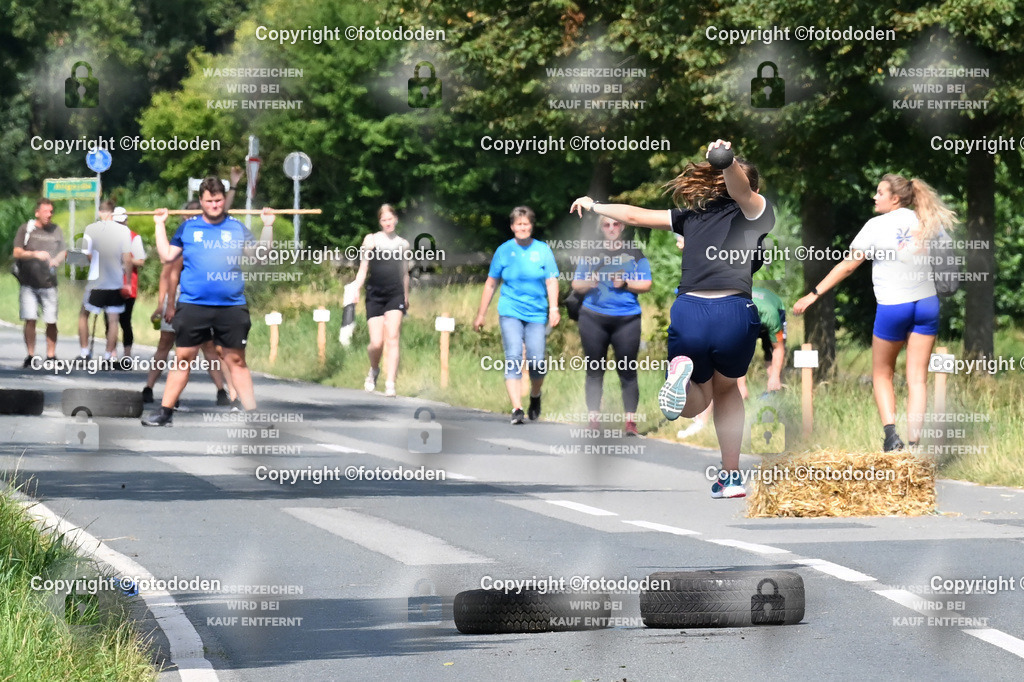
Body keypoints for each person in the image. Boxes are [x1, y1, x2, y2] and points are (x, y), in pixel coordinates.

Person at [571, 140, 775, 498]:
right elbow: (740, 189)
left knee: (693, 400)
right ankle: (731, 477)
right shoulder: (756, 211)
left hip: (689, 310)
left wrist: (594, 205)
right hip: (733, 311)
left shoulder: (692, 217)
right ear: (753, 187)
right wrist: (725, 161)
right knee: (727, 389)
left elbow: (635, 215)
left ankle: (680, 382)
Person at [793, 173, 957, 452]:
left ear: (895, 198)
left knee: (882, 374)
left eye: (880, 193)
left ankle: (892, 438)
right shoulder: (928, 220)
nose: (874, 197)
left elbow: (848, 265)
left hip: (894, 305)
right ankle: (915, 446)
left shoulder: (876, 225)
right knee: (917, 378)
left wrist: (814, 294)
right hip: (927, 305)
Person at [142, 177, 274, 426]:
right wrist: (159, 224)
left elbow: (260, 258)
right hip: (193, 305)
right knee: (183, 358)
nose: (214, 205)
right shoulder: (188, 228)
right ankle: (165, 412)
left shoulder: (236, 228)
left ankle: (253, 415)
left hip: (231, 306)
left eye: (219, 200)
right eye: (209, 201)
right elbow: (166, 256)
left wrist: (268, 227)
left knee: (236, 361)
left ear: (225, 200)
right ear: (201, 202)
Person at [142, 201, 234, 407]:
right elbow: (169, 276)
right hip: (182, 300)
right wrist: (166, 305)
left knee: (207, 348)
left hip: (199, 300)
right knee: (169, 345)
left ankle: (221, 391)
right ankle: (149, 388)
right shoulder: (186, 240)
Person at [474, 206, 560, 424]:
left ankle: (535, 395)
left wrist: (554, 308)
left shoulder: (542, 250)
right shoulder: (503, 251)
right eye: (518, 224)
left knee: (537, 361)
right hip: (510, 310)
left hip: (536, 313)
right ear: (512, 227)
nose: (523, 227)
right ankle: (517, 408)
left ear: (531, 226)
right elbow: (491, 283)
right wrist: (481, 314)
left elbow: (551, 280)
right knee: (513, 355)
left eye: (526, 223)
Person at [571, 215, 651, 436]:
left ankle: (630, 423)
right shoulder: (591, 252)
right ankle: (594, 420)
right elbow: (576, 283)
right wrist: (590, 282)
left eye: (616, 224)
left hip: (626, 318)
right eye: (607, 224)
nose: (612, 228)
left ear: (622, 226)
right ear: (601, 228)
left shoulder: (634, 253)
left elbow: (646, 284)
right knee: (594, 370)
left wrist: (626, 283)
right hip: (593, 317)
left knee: (627, 370)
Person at [351, 204, 410, 398]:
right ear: (380, 222)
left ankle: (390, 383)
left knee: (392, 337)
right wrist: (356, 289)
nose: (388, 223)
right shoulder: (372, 240)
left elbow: (404, 273)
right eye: (384, 220)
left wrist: (406, 296)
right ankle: (374, 369)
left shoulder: (403, 244)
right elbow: (363, 267)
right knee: (377, 343)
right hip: (375, 293)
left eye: (390, 219)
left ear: (396, 219)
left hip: (395, 294)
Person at [76, 200, 132, 363]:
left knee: (83, 314)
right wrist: (127, 281)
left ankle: (85, 351)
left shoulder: (91, 229)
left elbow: (86, 254)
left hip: (96, 282)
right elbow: (127, 258)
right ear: (113, 213)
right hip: (115, 281)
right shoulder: (123, 231)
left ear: (101, 212)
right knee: (113, 319)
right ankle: (108, 355)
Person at [13, 198, 66, 367]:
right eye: (45, 211)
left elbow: (64, 251)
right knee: (30, 319)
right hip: (28, 283)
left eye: (51, 211)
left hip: (49, 283)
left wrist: (56, 260)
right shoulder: (26, 229)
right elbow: (17, 252)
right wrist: (36, 254)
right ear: (37, 212)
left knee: (51, 320)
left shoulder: (56, 230)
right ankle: (31, 355)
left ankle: (51, 356)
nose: (49, 215)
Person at [102, 206, 147, 358]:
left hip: (128, 285)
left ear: (126, 221)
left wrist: (126, 259)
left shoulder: (134, 237)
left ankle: (127, 356)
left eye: (122, 222)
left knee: (125, 321)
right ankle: (112, 353)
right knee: (109, 320)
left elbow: (140, 261)